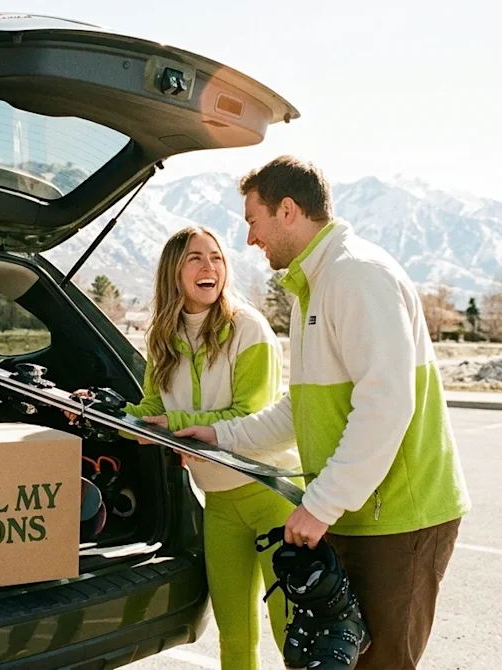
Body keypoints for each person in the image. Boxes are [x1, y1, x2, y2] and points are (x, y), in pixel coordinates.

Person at [173, 156, 471, 670]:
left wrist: (322, 503)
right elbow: (302, 408)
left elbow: (385, 404)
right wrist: (221, 437)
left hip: (399, 517)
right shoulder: (313, 287)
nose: (250, 239)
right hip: (357, 512)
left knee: (380, 664)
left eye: (253, 221)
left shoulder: (356, 275)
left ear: (287, 210)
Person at [90, 225, 303, 669]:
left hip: (270, 496)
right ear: (174, 271)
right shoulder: (162, 337)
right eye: (196, 258)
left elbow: (251, 415)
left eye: (217, 258)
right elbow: (151, 411)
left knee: (293, 635)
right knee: (235, 637)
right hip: (219, 503)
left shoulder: (248, 329)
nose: (210, 267)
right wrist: (101, 414)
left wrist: (175, 424)